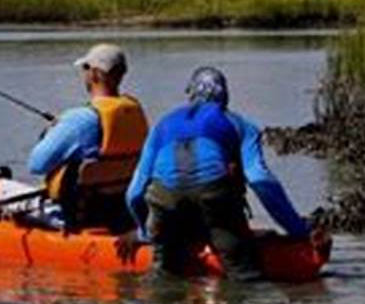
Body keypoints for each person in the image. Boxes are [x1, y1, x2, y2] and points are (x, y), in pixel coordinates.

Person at [0, 43, 148, 236]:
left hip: (71, 217)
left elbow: (36, 165)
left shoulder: (78, 120)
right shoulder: (135, 112)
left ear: (95, 73)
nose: (84, 74)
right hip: (118, 214)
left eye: (85, 68)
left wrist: (53, 131)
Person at [120, 66, 313, 279]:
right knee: (244, 274)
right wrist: (298, 231)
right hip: (214, 197)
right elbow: (260, 180)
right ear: (226, 98)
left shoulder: (161, 126)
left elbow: (134, 193)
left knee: (164, 270)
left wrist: (144, 232)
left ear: (191, 94)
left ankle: (164, 271)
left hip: (164, 200)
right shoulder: (241, 125)